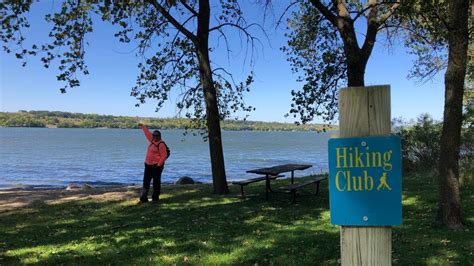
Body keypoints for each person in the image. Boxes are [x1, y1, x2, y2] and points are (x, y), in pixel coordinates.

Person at [138, 123, 168, 203]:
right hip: (148, 165)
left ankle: (155, 198)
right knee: (146, 182)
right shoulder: (152, 140)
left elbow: (164, 155)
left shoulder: (161, 144)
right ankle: (143, 198)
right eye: (154, 135)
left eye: (157, 135)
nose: (155, 136)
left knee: (156, 182)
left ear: (160, 136)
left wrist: (158, 165)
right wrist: (143, 127)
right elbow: (147, 133)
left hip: (156, 166)